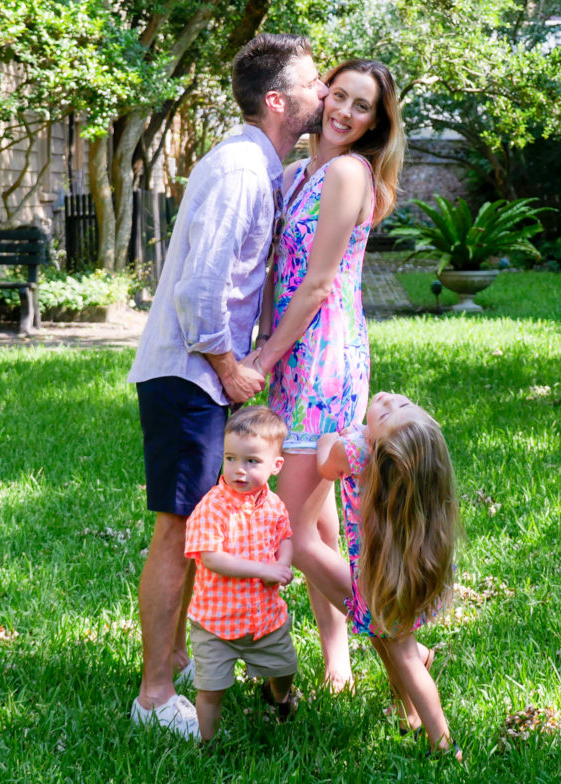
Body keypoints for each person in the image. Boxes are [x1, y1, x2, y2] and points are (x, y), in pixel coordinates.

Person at [127, 34, 328, 738]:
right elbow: (198, 289)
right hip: (188, 374)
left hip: (195, 375)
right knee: (180, 529)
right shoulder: (242, 169)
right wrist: (227, 366)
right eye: (313, 84)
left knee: (186, 528)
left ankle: (177, 656)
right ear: (279, 101)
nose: (324, 94)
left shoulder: (259, 165)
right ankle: (154, 695)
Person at [244, 60, 404, 689]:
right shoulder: (293, 174)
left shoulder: (346, 171)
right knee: (318, 522)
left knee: (292, 530)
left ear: (375, 123)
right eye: (338, 95)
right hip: (292, 353)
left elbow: (314, 286)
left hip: (319, 363)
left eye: (361, 106)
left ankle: (400, 646)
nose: (343, 112)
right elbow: (271, 273)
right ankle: (337, 662)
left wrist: (263, 357)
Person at [316, 391, 462, 759]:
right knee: (397, 646)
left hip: (378, 580)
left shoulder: (354, 451)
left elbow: (323, 466)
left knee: (404, 655)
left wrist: (328, 439)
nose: (387, 399)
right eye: (399, 403)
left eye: (387, 413)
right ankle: (408, 716)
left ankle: (443, 744)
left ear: (378, 448)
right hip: (405, 574)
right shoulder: (422, 474)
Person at [184, 406, 298, 741]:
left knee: (284, 667)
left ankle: (279, 697)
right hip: (216, 624)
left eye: (251, 461)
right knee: (211, 689)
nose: (239, 470)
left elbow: (285, 537)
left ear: (276, 466)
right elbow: (212, 557)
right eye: (231, 458)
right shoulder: (212, 506)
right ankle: (209, 743)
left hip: (265, 619)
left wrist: (283, 564)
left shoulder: (273, 504)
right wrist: (263, 569)